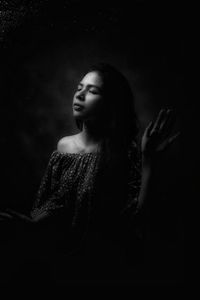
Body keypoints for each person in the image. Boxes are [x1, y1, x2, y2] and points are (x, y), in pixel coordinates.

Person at [0, 63, 179, 285]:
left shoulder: (124, 153)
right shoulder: (64, 147)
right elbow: (55, 202)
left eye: (93, 91)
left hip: (105, 268)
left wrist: (149, 161)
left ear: (111, 104)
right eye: (79, 88)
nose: (80, 95)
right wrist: (31, 225)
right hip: (61, 263)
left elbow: (136, 218)